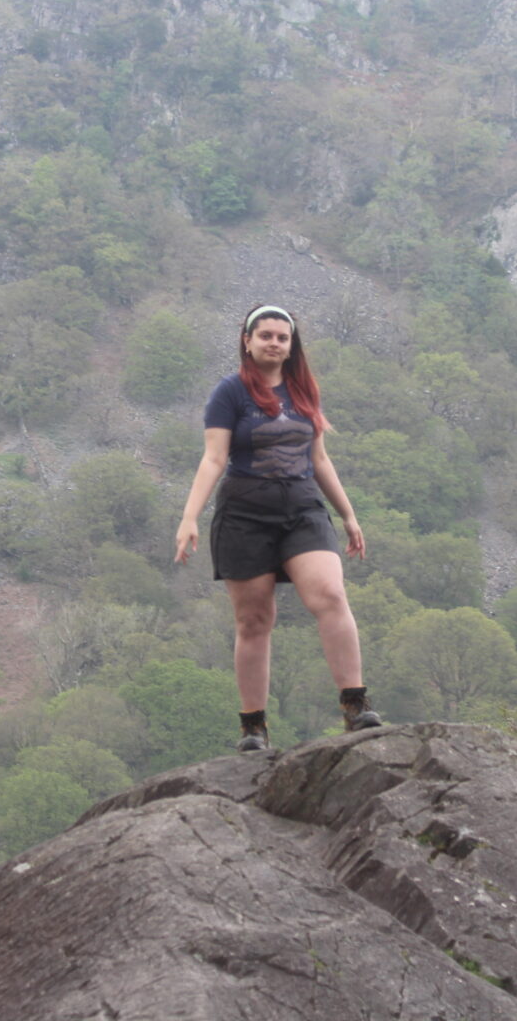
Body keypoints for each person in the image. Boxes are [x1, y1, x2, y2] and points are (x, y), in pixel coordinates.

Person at [174, 304, 382, 751]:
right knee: (254, 620)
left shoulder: (303, 390)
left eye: (282, 337)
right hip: (244, 514)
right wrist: (190, 516)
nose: (274, 343)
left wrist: (348, 515)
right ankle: (253, 727)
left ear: (291, 345)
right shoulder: (229, 392)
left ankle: (355, 705)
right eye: (265, 335)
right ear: (247, 341)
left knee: (330, 594)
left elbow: (319, 459)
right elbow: (214, 458)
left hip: (302, 508)